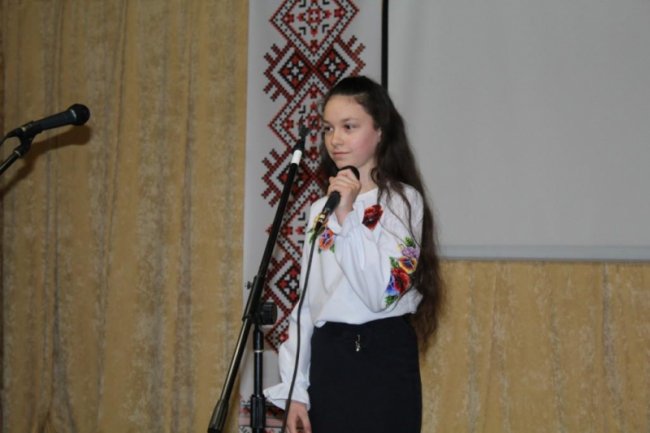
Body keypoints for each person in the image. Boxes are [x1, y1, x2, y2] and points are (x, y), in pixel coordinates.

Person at [264, 75, 444, 433]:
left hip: (380, 359)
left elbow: (381, 293)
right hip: (329, 359)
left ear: (380, 131)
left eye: (349, 126)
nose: (335, 139)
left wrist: (347, 215)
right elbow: (308, 304)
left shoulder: (402, 202)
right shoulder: (320, 210)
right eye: (328, 128)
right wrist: (296, 391)